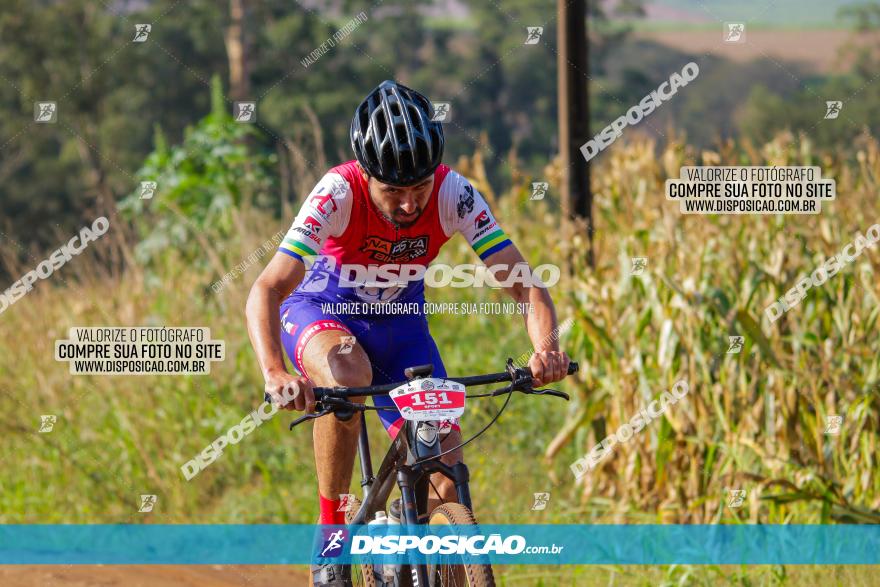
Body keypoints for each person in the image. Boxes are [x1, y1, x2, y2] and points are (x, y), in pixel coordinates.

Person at [246, 80, 570, 587]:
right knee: (348, 372)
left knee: (445, 472)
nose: (408, 205)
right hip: (323, 314)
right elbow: (267, 289)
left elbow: (527, 287)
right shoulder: (337, 192)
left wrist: (545, 350)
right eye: (392, 191)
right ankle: (331, 533)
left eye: (418, 188)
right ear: (366, 174)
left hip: (401, 328)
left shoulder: (454, 193)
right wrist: (274, 371)